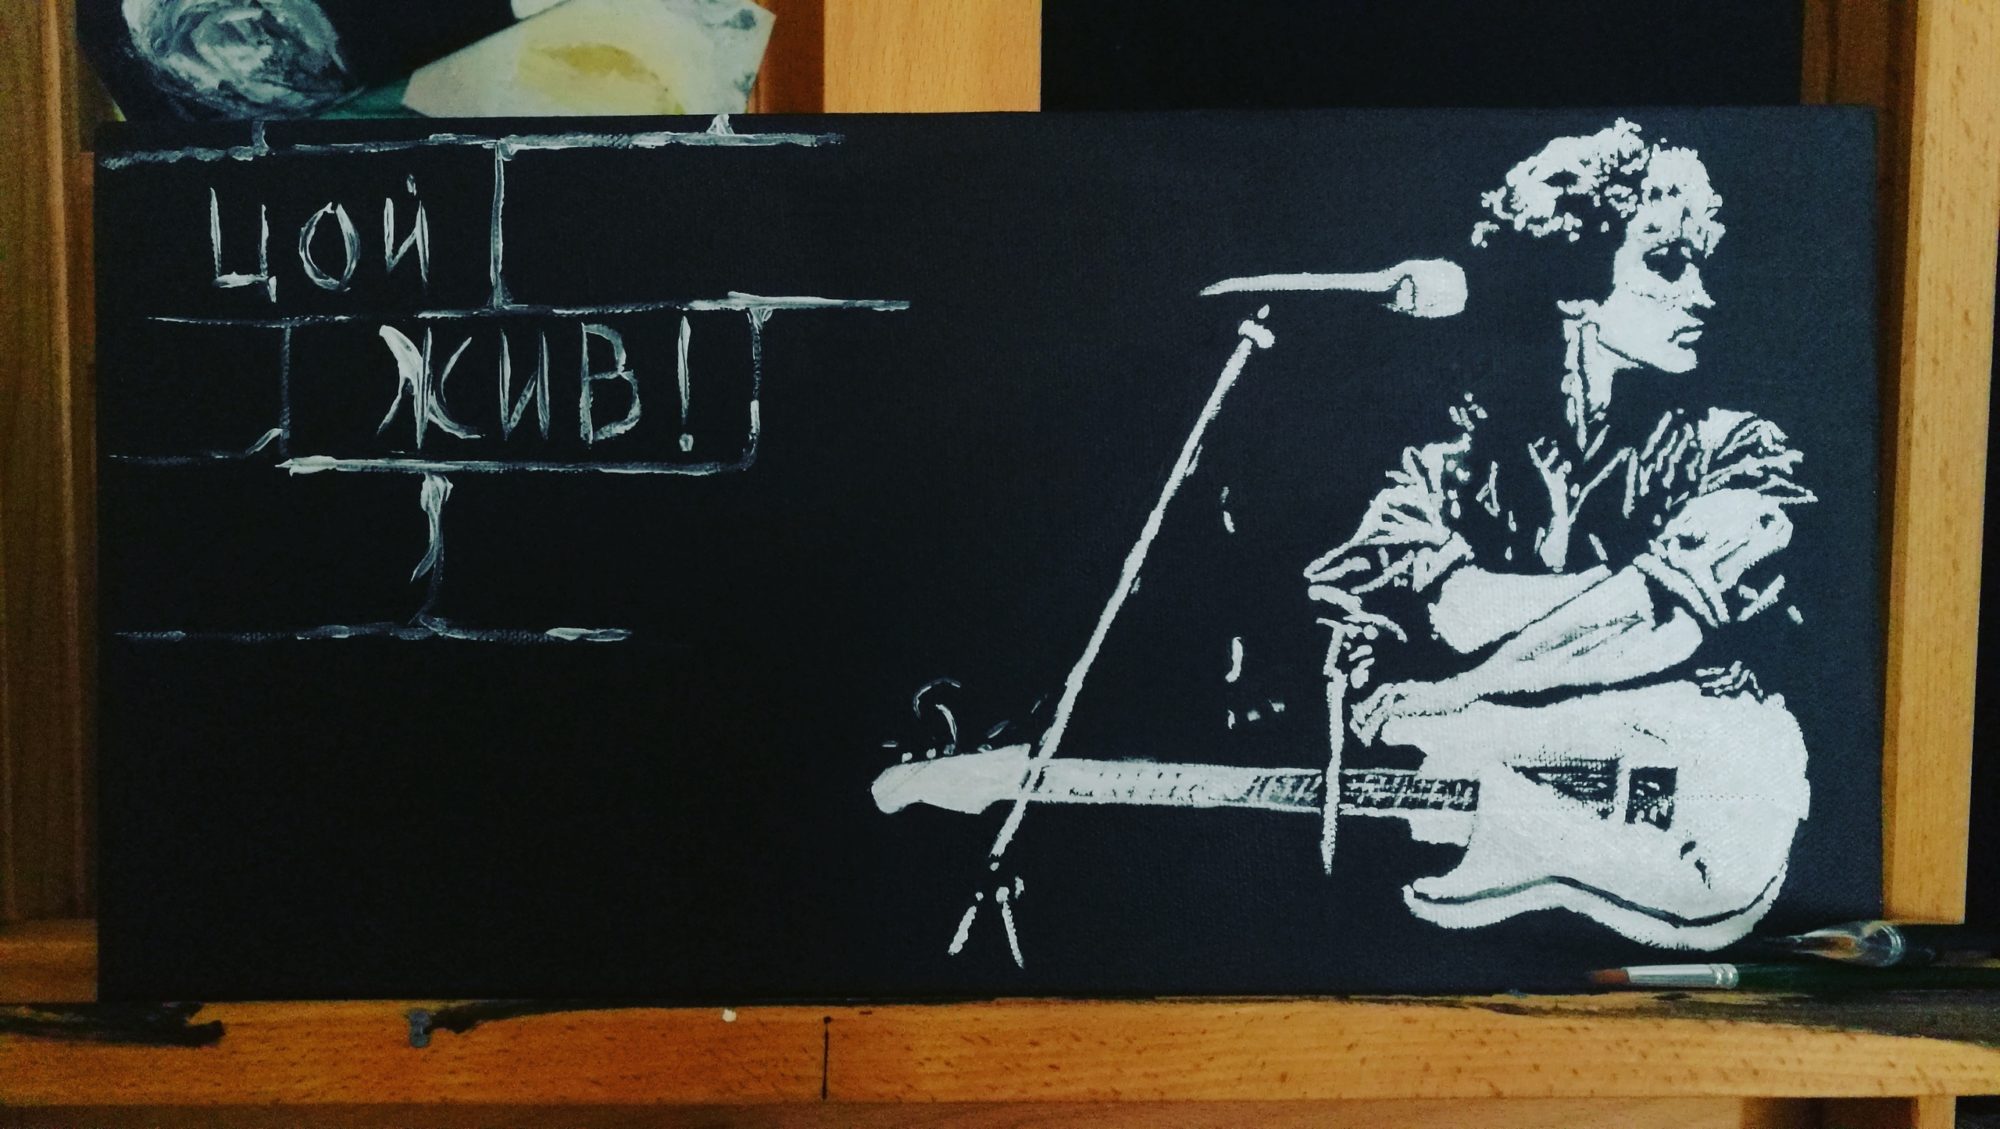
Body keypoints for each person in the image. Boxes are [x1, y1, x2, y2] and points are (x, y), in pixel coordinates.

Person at [1303, 119, 1816, 946]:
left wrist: (1463, 687)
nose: (1702, 296)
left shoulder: (1744, 448)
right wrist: (1632, 592)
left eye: (1700, 264)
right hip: (1493, 853)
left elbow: (1652, 622)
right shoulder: (1453, 451)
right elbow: (1460, 611)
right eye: (1665, 262)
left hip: (1704, 827)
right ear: (1575, 282)